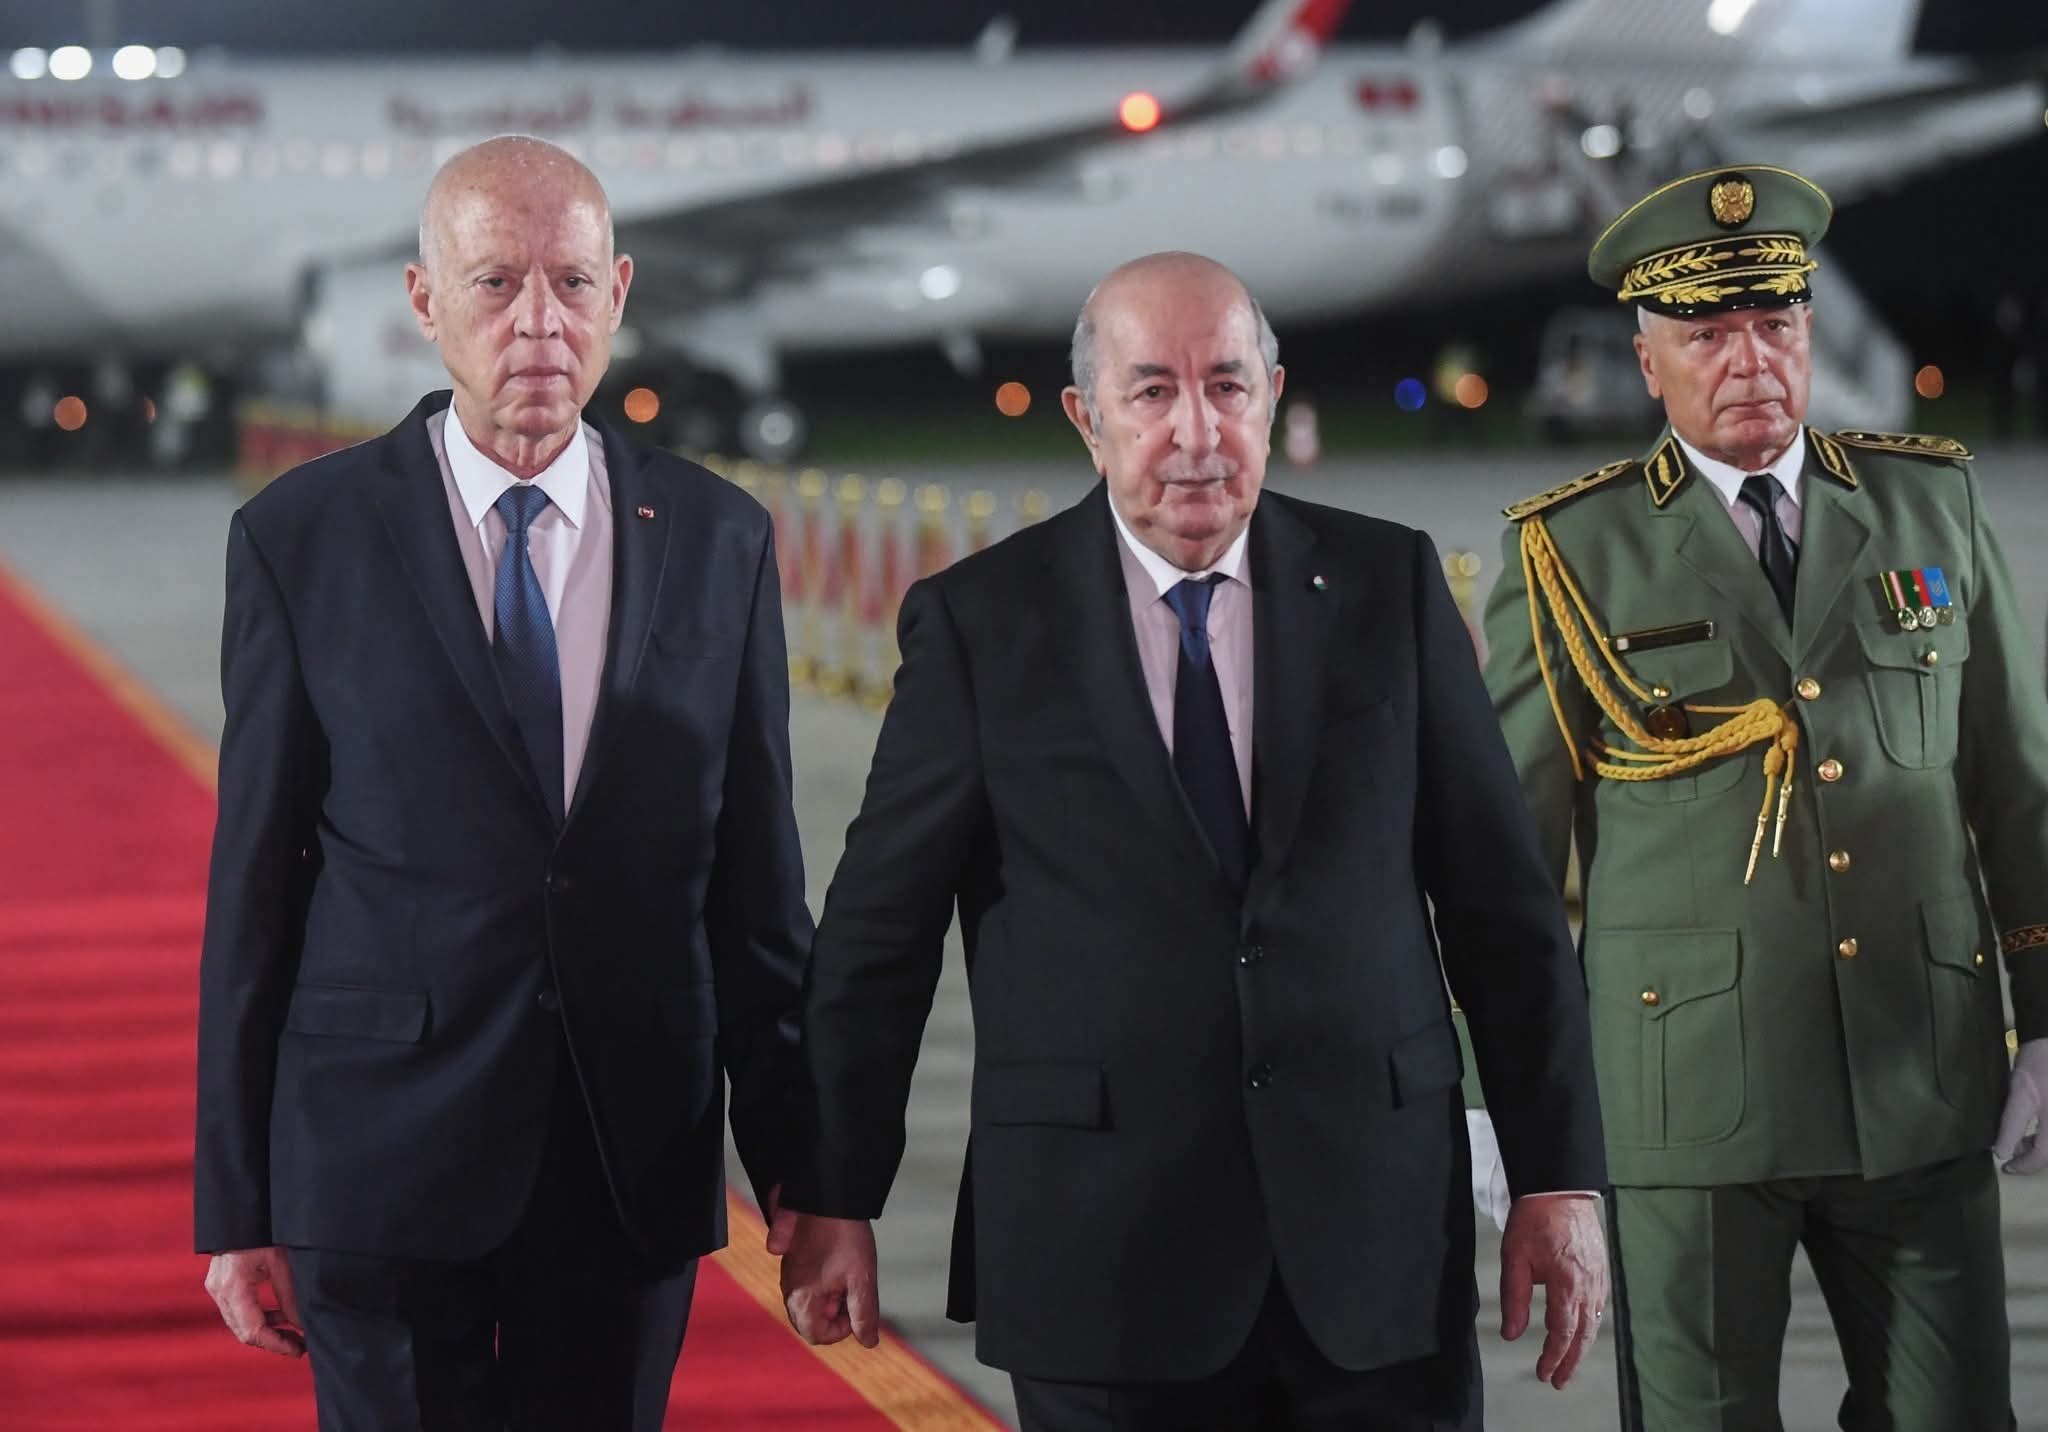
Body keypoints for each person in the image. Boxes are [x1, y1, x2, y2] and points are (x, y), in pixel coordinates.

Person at [774, 251, 1610, 1430]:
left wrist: (1555, 1176)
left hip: (1371, 1247)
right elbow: (877, 938)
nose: (1195, 432)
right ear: (1086, 418)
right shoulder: (981, 625)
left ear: (1272, 396)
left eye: (1225, 385)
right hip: (1100, 1254)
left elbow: (1503, 912)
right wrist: (835, 1192)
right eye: (1151, 391)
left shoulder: (1387, 586)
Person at [192, 135, 812, 1429]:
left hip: (627, 1154)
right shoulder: (302, 540)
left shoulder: (718, 540)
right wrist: (237, 1201)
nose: (539, 321)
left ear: (618, 294)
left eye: (572, 283)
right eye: (494, 284)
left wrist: (805, 1168)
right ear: (423, 303)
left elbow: (755, 894)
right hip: (377, 1159)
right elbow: (255, 894)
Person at [1475, 163, 2048, 1431]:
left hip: (1917, 1077)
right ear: (1646, 361)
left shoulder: (1926, 502)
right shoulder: (1568, 550)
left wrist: (2046, 1013)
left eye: (1773, 324)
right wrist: (1502, 1099)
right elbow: (1505, 865)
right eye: (1707, 335)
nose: (1749, 361)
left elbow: (2015, 785)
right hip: (1686, 1105)